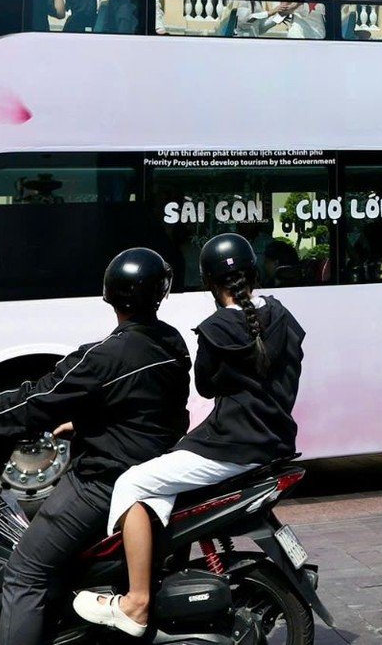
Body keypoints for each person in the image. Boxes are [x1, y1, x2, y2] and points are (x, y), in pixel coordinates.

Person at [0, 249, 190, 645]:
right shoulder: (171, 342)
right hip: (150, 465)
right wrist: (84, 423)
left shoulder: (104, 356)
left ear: (109, 295)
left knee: (24, 572)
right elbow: (143, 406)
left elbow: (35, 400)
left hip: (104, 480)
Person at [73, 235, 304, 637]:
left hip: (232, 445)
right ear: (253, 272)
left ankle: (136, 603)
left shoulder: (216, 330)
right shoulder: (284, 317)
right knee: (162, 477)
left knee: (134, 481)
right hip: (274, 441)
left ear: (209, 283)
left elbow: (207, 387)